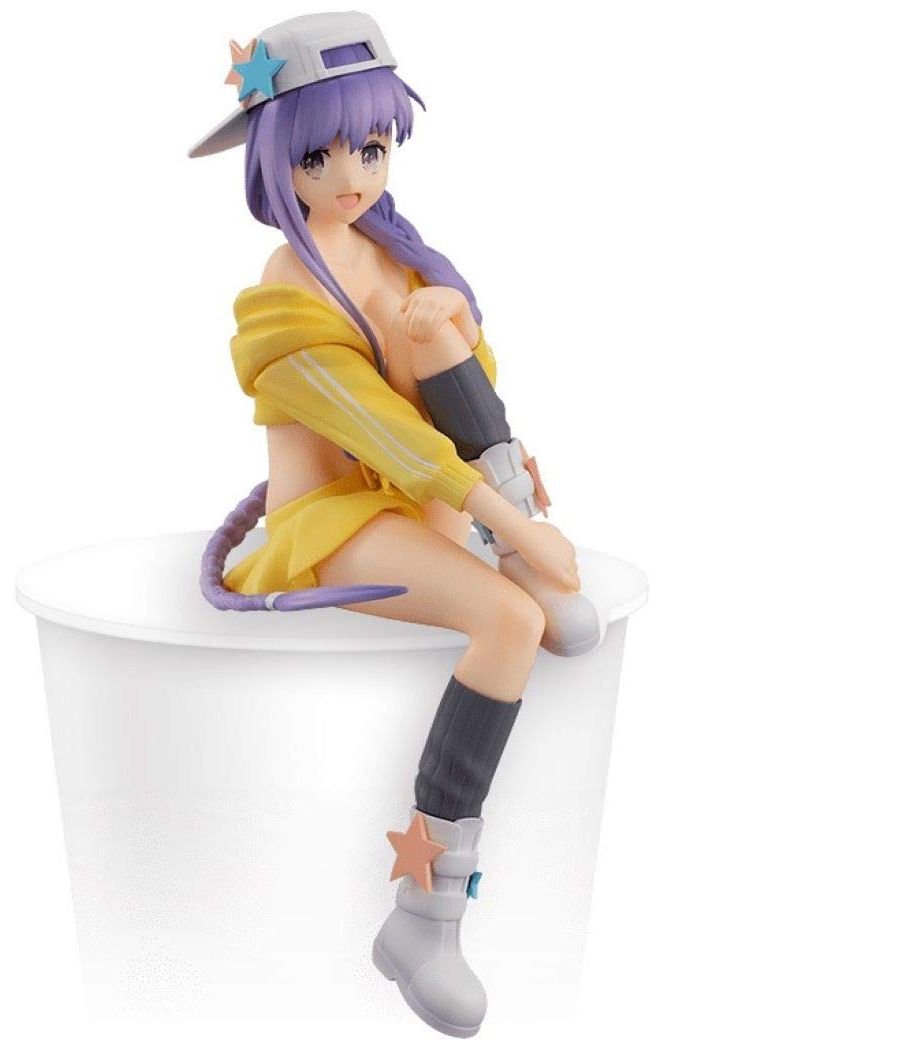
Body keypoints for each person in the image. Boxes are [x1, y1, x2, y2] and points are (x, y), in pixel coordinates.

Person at [190, 12, 603, 1038]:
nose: (350, 177)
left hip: (420, 497)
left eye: (370, 148)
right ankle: (424, 916)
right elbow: (380, 428)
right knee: (511, 623)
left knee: (441, 329)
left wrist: (447, 331)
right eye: (318, 156)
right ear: (276, 158)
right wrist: (515, 527)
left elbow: (456, 386)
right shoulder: (284, 291)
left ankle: (515, 548)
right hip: (333, 519)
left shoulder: (393, 250)